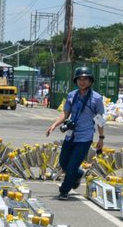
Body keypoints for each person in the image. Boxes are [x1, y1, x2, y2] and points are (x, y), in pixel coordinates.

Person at [45, 66, 105, 200]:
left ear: (90, 81)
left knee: (72, 166)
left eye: (85, 79)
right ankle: (78, 174)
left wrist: (101, 138)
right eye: (79, 79)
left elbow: (99, 119)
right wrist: (54, 125)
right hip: (71, 134)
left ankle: (64, 191)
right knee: (64, 163)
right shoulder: (72, 95)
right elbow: (65, 114)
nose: (82, 82)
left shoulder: (96, 98)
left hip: (85, 137)